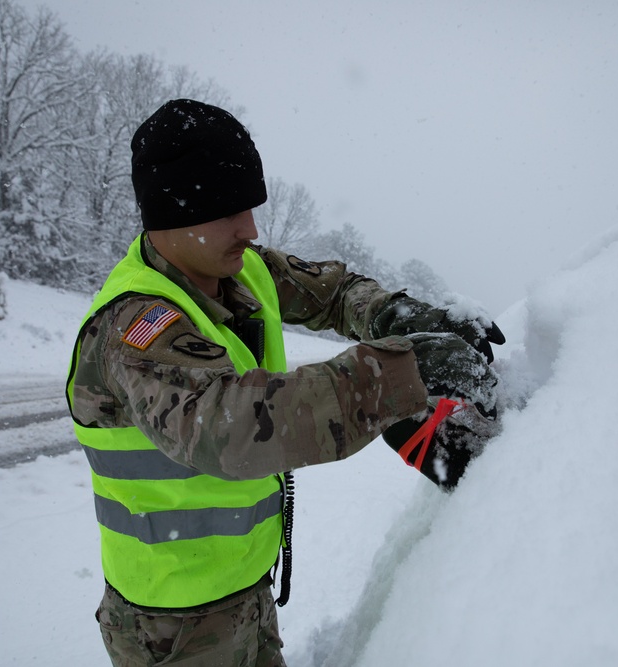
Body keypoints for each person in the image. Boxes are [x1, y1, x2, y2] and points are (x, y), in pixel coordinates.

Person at [65, 99, 503, 666]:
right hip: (171, 629)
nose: (249, 228)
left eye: (251, 205)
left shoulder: (240, 268)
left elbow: (334, 291)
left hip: (246, 592)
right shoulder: (135, 327)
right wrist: (403, 372)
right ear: (170, 213)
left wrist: (403, 315)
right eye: (226, 210)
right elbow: (232, 428)